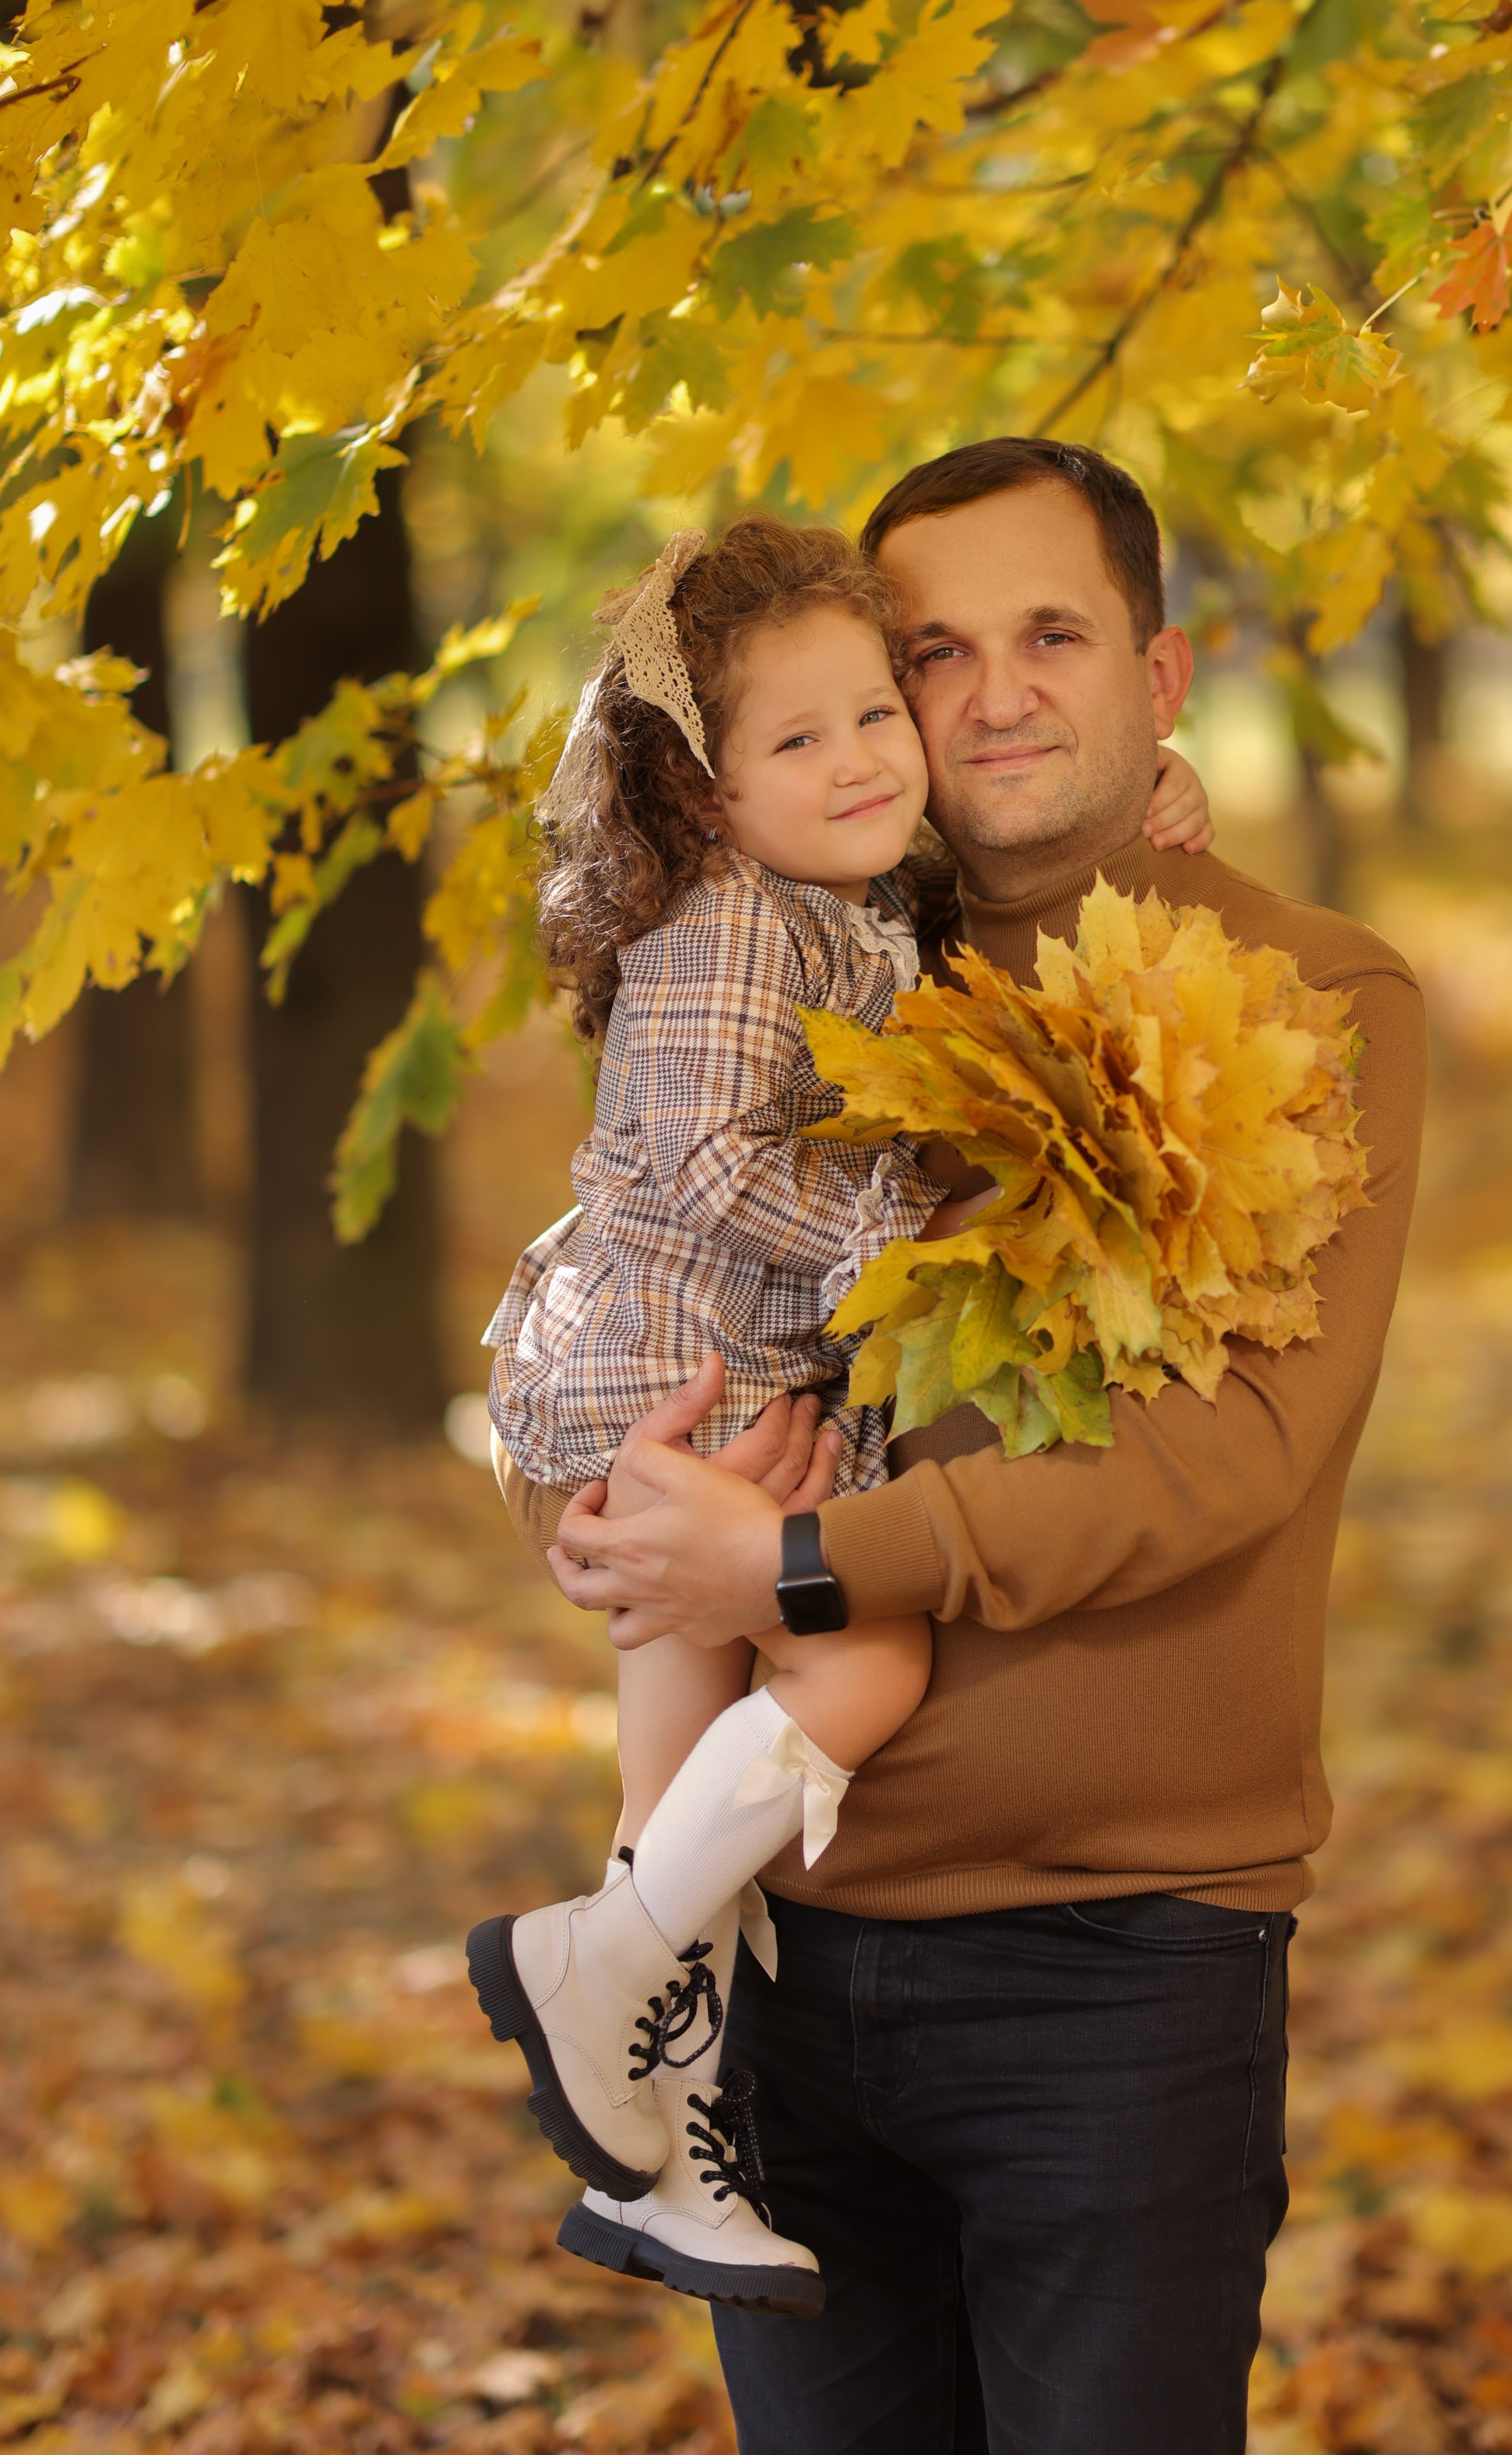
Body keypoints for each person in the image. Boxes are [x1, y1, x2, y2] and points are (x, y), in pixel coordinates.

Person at [548, 438, 1428, 2455]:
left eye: (1054, 635)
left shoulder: (1303, 994)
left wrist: (778, 1569)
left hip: (1112, 1968)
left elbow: (1213, 1463)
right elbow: (632, 1284)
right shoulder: (816, 961)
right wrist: (616, 1519)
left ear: (1163, 671)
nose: (996, 693)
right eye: (934, 650)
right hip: (777, 1946)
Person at [468, 514, 1214, 2320]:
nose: (868, 756)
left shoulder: (846, 899)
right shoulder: (732, 929)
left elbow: (1011, 835)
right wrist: (908, 1239)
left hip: (712, 1369)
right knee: (852, 1679)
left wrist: (1156, 796)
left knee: (694, 1800)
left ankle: (671, 2143)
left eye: (876, 711)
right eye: (795, 742)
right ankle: (606, 1957)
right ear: (706, 797)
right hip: (671, 1368)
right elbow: (706, 1159)